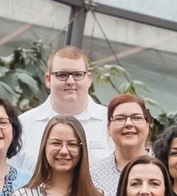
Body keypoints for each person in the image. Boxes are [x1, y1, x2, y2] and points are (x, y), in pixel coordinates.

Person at [15, 46, 111, 174]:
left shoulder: (110, 122)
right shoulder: (24, 125)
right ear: (48, 80)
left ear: (89, 79)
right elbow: (11, 176)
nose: (70, 81)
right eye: (62, 75)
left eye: (77, 75)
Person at [91, 94, 152, 196]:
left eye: (136, 118)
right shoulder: (94, 176)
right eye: (120, 118)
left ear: (147, 126)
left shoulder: (165, 166)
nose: (128, 124)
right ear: (109, 128)